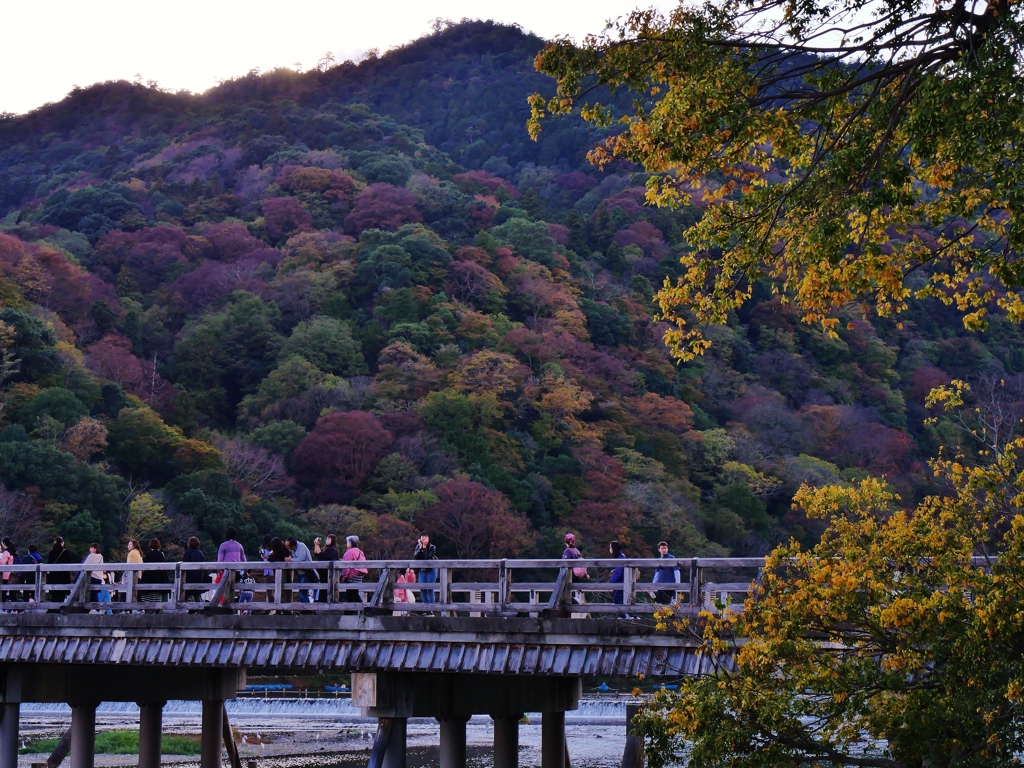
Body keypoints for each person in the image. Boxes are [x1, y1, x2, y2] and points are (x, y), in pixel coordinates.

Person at [286, 537, 315, 604]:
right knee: (302, 591)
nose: (288, 548)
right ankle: (306, 609)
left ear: (292, 546)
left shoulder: (301, 546)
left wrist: (291, 560)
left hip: (306, 572)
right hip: (300, 572)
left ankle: (308, 609)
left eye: (288, 546)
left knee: (302, 592)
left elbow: (301, 559)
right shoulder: (293, 550)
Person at [340, 536, 368, 604]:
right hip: (358, 576)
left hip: (351, 576)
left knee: (350, 595)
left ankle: (354, 609)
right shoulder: (360, 552)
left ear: (350, 543)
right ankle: (361, 609)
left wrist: (343, 577)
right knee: (355, 594)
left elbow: (346, 566)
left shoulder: (349, 552)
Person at [46, 536, 73, 604]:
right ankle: (59, 608)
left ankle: (53, 609)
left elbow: (49, 564)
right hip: (63, 576)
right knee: (62, 594)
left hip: (53, 576)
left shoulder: (51, 553)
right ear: (61, 543)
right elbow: (69, 563)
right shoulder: (66, 552)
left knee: (54, 595)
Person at [139, 539, 166, 605]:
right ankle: (157, 610)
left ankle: (146, 610)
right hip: (158, 577)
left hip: (148, 577)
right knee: (157, 595)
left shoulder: (148, 554)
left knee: (146, 595)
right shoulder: (161, 554)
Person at [313, 535, 339, 602]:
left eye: (329, 539)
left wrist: (317, 545)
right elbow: (317, 554)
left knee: (326, 589)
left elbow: (321, 555)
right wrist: (316, 545)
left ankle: (326, 602)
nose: (327, 540)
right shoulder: (326, 549)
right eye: (327, 538)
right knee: (323, 588)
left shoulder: (332, 549)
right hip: (323, 572)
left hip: (328, 573)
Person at [413, 532, 437, 605]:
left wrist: (424, 547)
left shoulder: (432, 547)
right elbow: (416, 557)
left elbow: (427, 558)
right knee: (422, 588)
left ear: (428, 538)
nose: (423, 538)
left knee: (430, 588)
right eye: (422, 536)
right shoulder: (418, 546)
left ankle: (431, 607)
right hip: (422, 570)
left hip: (430, 570)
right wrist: (420, 548)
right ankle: (425, 607)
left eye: (425, 536)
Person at [83, 542, 106, 607]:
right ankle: (96, 608)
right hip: (99, 578)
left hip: (92, 577)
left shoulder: (91, 556)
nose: (90, 550)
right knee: (94, 593)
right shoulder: (101, 556)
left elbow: (84, 565)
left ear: (95, 549)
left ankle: (94, 608)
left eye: (91, 548)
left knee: (90, 594)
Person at [182, 537, 205, 601]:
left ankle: (186, 609)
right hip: (198, 577)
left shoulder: (188, 552)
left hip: (189, 577)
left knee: (186, 595)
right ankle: (198, 609)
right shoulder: (200, 553)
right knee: (197, 595)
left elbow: (184, 564)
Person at [608, 540, 627, 615]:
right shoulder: (621, 556)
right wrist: (615, 570)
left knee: (617, 599)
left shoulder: (620, 557)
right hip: (621, 581)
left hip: (621, 582)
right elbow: (619, 569)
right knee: (621, 599)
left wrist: (611, 581)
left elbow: (619, 572)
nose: (610, 549)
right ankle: (631, 615)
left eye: (610, 547)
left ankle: (624, 616)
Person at [1, 538, 16, 606]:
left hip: (6, 574)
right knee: (12, 592)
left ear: (4, 543)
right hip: (13, 573)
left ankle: (3, 607)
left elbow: (2, 563)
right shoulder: (13, 551)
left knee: (4, 591)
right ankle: (15, 608)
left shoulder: (6, 552)